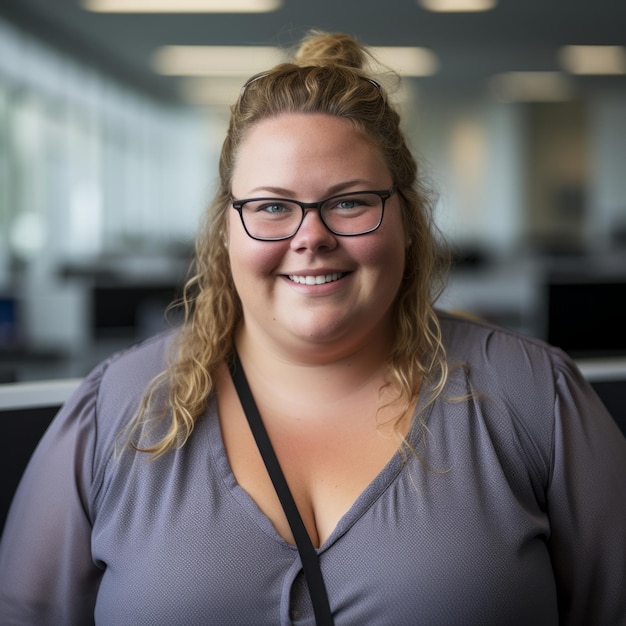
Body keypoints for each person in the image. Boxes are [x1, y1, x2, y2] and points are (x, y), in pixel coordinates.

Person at [1, 31, 625, 626]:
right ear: (226, 230)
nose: (311, 238)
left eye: (349, 201)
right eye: (272, 206)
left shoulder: (534, 397)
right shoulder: (117, 408)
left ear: (406, 219)